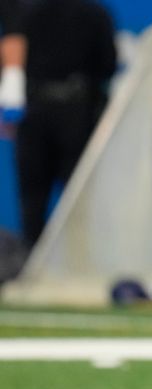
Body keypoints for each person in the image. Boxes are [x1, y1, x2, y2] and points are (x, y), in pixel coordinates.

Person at [14, 0, 116, 251]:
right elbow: (107, 66)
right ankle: (73, 261)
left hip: (39, 110)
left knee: (39, 197)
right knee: (74, 196)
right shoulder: (95, 12)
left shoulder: (28, 12)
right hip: (73, 113)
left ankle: (33, 262)